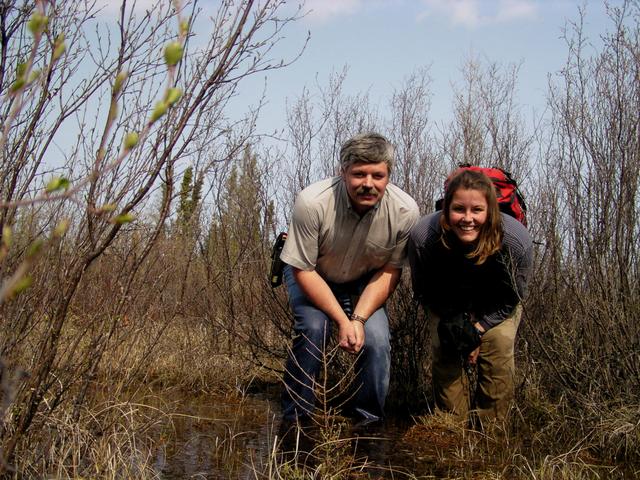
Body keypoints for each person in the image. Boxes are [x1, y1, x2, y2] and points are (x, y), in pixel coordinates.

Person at [279, 132, 419, 424]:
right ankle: (296, 419)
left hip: (364, 281)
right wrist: (343, 321)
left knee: (377, 340)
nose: (368, 184)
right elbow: (302, 268)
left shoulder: (405, 211)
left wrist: (358, 319)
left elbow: (390, 271)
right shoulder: (312, 202)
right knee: (314, 329)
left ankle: (368, 422)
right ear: (343, 173)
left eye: (377, 175)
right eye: (359, 174)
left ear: (388, 176)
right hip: (311, 272)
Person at [408, 168, 533, 422]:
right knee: (447, 348)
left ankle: (491, 433)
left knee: (497, 350)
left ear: (490, 211)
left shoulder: (515, 240)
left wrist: (478, 329)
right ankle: (452, 427)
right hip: (446, 300)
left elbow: (513, 297)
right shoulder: (424, 237)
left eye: (477, 210)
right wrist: (459, 327)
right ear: (446, 209)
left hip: (497, 302)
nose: (467, 218)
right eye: (458, 209)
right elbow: (424, 289)